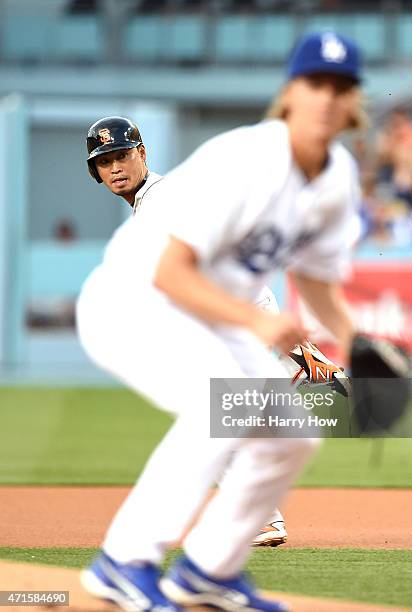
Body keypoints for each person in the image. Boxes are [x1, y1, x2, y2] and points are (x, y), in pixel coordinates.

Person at [77, 30, 362, 612]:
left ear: (355, 100)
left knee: (292, 435)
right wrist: (276, 342)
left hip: (197, 316)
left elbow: (312, 277)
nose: (328, 98)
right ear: (290, 93)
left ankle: (209, 571)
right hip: (127, 309)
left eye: (341, 86)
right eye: (315, 84)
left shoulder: (336, 180)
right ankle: (124, 562)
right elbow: (173, 278)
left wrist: (359, 343)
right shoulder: (248, 161)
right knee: (222, 407)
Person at [85, 114, 293, 547]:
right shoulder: (152, 200)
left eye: (122, 155)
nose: (116, 167)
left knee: (209, 418)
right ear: (97, 172)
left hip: (232, 316)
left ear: (142, 153)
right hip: (233, 314)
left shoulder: (161, 199)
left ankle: (260, 518)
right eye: (105, 162)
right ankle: (260, 515)